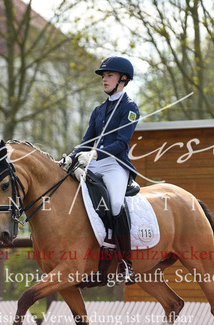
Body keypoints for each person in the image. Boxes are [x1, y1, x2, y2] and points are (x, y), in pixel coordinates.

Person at [62, 56, 140, 284]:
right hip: (94, 163)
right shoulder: (98, 110)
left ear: (123, 79)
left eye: (109, 75)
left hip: (115, 164)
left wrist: (95, 154)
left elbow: (121, 143)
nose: (104, 79)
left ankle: (126, 263)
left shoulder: (129, 108)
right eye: (104, 76)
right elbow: (87, 141)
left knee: (114, 204)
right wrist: (72, 156)